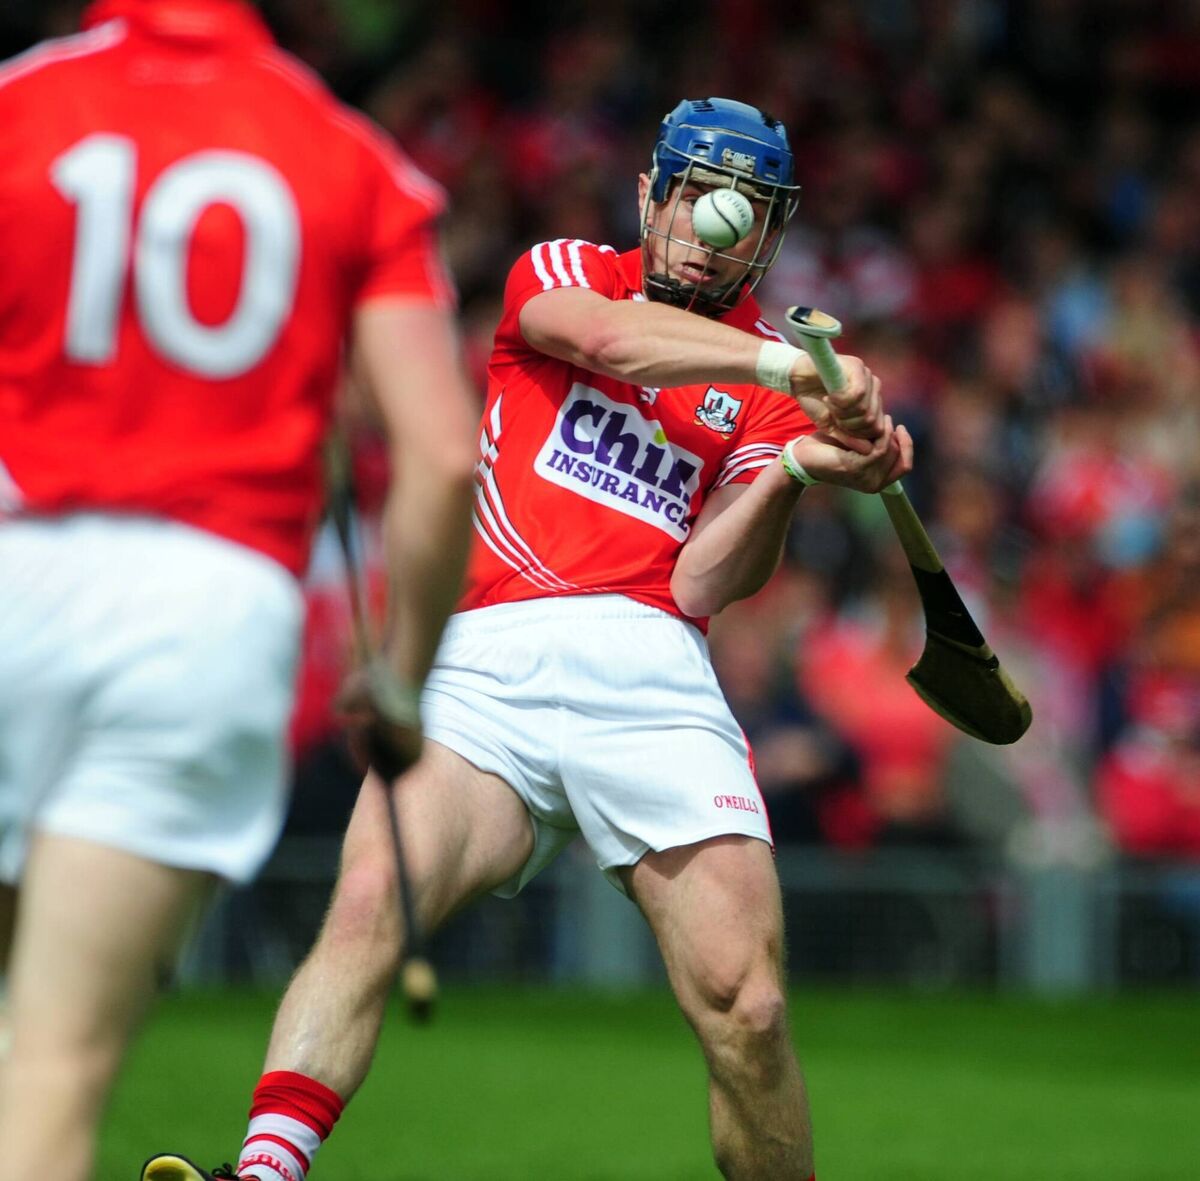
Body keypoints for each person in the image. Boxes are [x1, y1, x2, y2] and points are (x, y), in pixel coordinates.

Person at [144, 97, 913, 1181]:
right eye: (693, 194)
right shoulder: (570, 271)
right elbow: (608, 343)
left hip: (652, 670)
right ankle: (262, 1171)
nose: (711, 224)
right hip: (488, 658)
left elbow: (705, 578)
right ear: (652, 195)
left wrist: (798, 468)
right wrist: (796, 369)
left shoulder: (768, 395)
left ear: (776, 230)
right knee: (370, 899)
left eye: (743, 208)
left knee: (749, 1003)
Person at [0, 1, 479, 1178]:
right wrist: (399, 678)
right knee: (52, 1061)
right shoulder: (344, 152)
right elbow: (445, 458)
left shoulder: (21, 101)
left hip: (16, 563)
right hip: (207, 619)